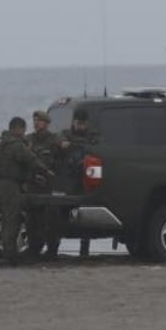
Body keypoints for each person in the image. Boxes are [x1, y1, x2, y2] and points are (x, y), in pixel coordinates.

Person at [0, 116, 52, 266]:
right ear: (19, 129)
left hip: (0, 184)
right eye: (23, 129)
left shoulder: (3, 143)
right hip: (10, 185)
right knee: (12, 219)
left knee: (6, 219)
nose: (24, 132)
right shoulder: (15, 144)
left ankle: (8, 252)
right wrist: (46, 171)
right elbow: (30, 160)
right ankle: (11, 256)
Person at [58, 108, 100, 256]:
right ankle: (55, 247)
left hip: (86, 179)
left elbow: (97, 147)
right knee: (61, 213)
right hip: (69, 180)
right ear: (73, 122)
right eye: (78, 123)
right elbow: (61, 143)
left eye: (83, 123)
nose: (80, 126)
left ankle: (84, 249)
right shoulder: (66, 134)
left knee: (85, 216)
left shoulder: (92, 135)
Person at [25, 110, 64, 259]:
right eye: (34, 120)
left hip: (48, 185)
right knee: (32, 219)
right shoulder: (29, 140)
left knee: (51, 220)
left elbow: (61, 158)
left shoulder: (54, 140)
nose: (36, 123)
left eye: (39, 121)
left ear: (46, 123)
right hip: (33, 184)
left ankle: (52, 249)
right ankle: (34, 248)